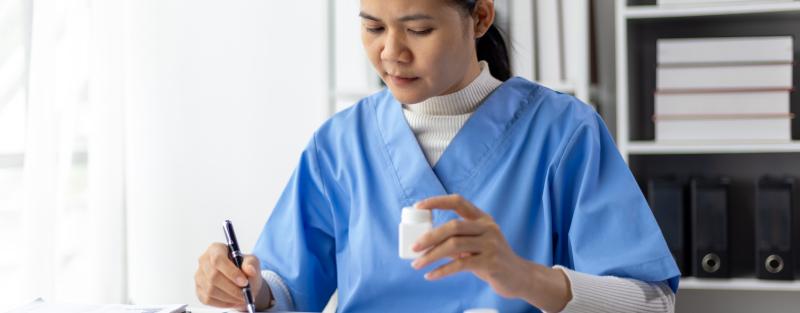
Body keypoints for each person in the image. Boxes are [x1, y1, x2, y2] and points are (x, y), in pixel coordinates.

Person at [195, 0, 680, 312]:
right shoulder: (340, 145)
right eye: (372, 28)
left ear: (480, 17)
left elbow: (652, 302)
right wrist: (247, 290)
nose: (390, 53)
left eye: (419, 30)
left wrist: (522, 276)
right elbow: (287, 291)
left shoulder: (563, 133)